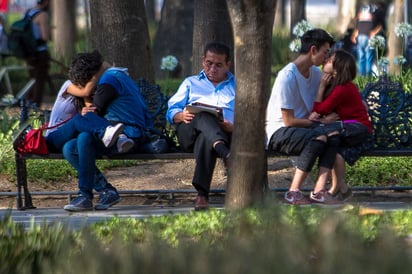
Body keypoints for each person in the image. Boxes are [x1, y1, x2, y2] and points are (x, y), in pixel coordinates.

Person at [61, 50, 157, 212]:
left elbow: (92, 114)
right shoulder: (116, 75)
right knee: (70, 148)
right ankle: (106, 191)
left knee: (82, 138)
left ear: (91, 77)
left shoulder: (108, 81)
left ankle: (86, 195)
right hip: (126, 133)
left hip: (130, 135)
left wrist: (86, 105)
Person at [266, 28, 343, 205]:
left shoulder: (316, 74)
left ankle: (319, 191)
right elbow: (289, 120)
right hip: (280, 131)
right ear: (313, 50)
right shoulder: (287, 76)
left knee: (332, 135)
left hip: (306, 128)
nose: (326, 58)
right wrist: (322, 121)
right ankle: (293, 192)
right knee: (319, 137)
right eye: (325, 52)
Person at [166, 42, 235, 211]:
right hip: (189, 132)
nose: (212, 69)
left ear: (228, 65)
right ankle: (226, 154)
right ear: (203, 60)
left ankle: (202, 195)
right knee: (202, 115)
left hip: (224, 133)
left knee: (207, 138)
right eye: (209, 63)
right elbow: (171, 109)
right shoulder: (191, 83)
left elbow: (247, 117)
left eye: (219, 65)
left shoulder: (236, 86)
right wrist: (180, 115)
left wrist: (234, 127)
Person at [313, 49, 373, 199]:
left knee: (327, 130)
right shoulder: (340, 87)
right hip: (352, 129)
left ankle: (330, 190)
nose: (326, 60)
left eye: (330, 60)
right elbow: (322, 111)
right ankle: (342, 189)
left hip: (359, 129)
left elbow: (319, 110)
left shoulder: (342, 89)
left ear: (337, 69)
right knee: (336, 154)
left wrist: (321, 87)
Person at [24, 0, 51, 108]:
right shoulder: (42, 14)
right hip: (40, 52)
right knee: (40, 79)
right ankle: (35, 106)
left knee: (32, 78)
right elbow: (45, 37)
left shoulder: (28, 12)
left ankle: (27, 103)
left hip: (29, 52)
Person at [351, 2, 387, 77]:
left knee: (361, 58)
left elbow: (358, 23)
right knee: (369, 58)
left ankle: (362, 78)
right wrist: (374, 32)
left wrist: (354, 34)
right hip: (369, 37)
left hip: (360, 35)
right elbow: (381, 25)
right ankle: (368, 78)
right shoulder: (378, 10)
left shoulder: (363, 8)